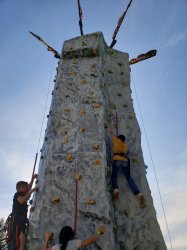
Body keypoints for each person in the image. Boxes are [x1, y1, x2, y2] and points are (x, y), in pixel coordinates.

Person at [108, 127, 145, 208]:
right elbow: (127, 152)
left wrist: (108, 127)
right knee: (129, 178)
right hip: (125, 161)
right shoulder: (125, 145)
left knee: (114, 175)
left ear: (119, 138)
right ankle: (139, 194)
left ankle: (116, 190)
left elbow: (110, 133)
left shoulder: (116, 140)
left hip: (117, 159)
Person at [11, 174, 38, 250]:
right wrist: (32, 191)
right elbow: (22, 200)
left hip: (21, 220)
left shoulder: (22, 193)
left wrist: (32, 179)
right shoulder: (18, 194)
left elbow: (28, 188)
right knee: (20, 242)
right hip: (18, 220)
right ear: (21, 188)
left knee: (21, 241)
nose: (27, 189)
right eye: (25, 188)